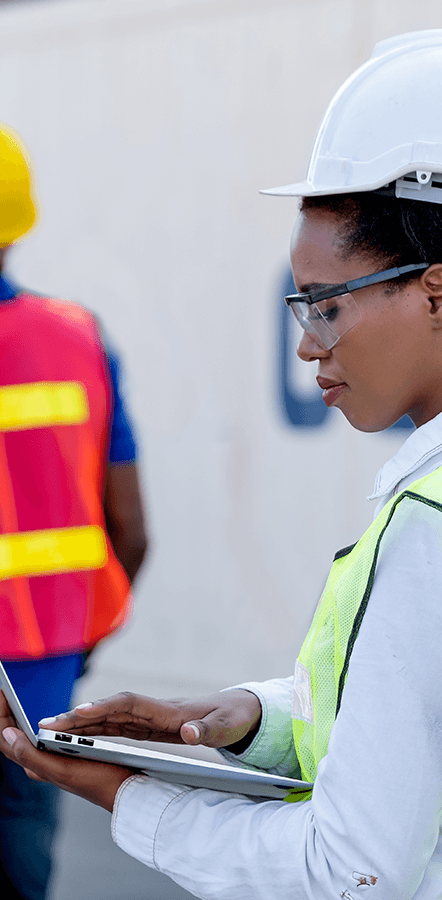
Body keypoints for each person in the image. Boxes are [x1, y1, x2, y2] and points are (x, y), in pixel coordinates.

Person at [2, 28, 442, 900]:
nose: (309, 345)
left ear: (434, 289)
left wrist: (131, 800)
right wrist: (250, 720)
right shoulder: (76, 337)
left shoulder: (429, 527)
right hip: (54, 656)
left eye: (325, 306)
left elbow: (352, 873)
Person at [0, 124, 148, 900]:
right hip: (44, 663)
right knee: (24, 846)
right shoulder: (77, 339)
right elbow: (132, 530)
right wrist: (76, 639)